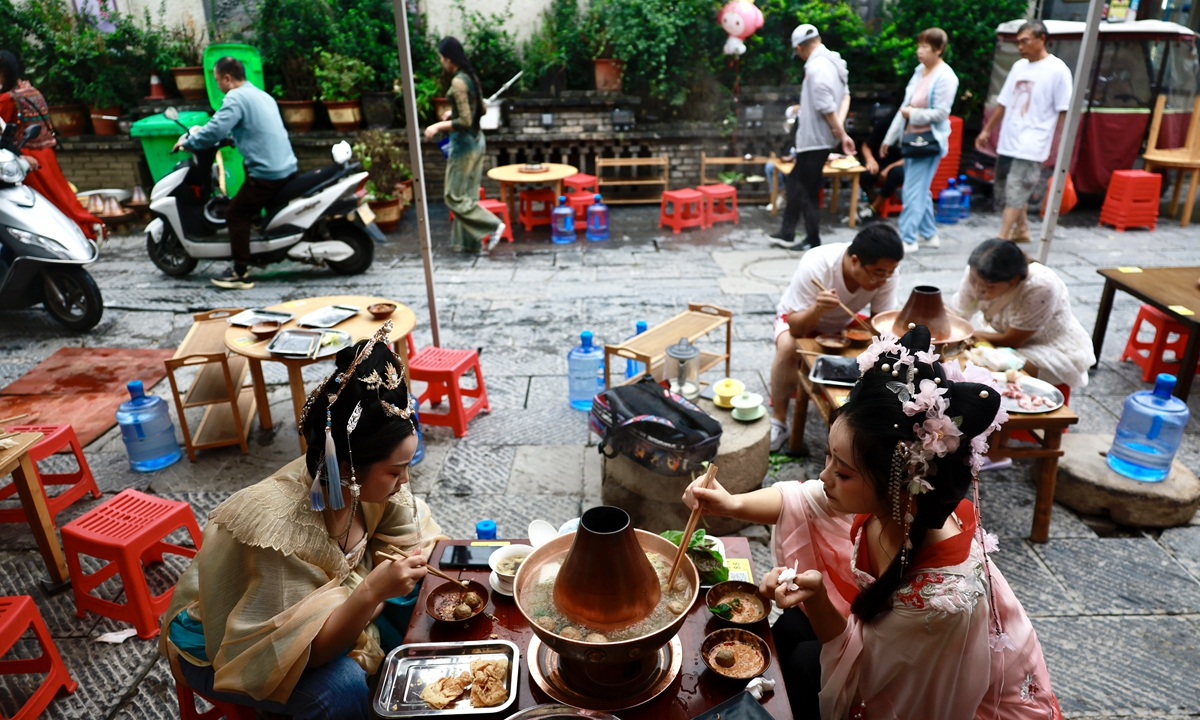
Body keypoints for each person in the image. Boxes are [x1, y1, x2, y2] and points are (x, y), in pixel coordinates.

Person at [685, 325, 1062, 720]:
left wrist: (817, 598)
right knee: (792, 629)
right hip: (890, 640)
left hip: (930, 684)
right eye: (829, 457)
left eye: (843, 472)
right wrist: (729, 503)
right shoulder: (902, 503)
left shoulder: (939, 602)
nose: (825, 475)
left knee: (799, 663)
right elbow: (806, 497)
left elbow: (875, 687)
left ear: (900, 484)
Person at [159, 323, 447, 720]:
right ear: (348, 467)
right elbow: (308, 653)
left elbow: (414, 544)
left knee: (423, 600)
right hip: (233, 644)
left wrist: (388, 585)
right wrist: (370, 592)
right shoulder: (278, 526)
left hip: (316, 612)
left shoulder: (363, 484)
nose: (404, 484)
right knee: (340, 684)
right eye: (396, 472)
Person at [769, 224, 904, 452]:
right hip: (802, 318)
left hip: (846, 322)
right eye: (879, 273)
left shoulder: (887, 273)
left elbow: (879, 322)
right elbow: (795, 328)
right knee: (788, 346)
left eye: (890, 273)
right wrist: (818, 309)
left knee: (883, 350)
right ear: (854, 261)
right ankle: (779, 420)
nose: (884, 279)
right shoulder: (817, 264)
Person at [174, 56, 298, 290]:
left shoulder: (235, 98)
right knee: (250, 205)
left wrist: (188, 143)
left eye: (218, 80)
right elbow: (254, 129)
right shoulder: (261, 95)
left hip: (267, 174)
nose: (218, 85)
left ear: (228, 78)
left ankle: (240, 271)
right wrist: (232, 139)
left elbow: (214, 129)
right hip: (286, 167)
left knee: (235, 213)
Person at [950, 238, 1095, 389]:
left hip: (1044, 347)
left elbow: (1011, 340)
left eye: (989, 286)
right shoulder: (977, 271)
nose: (978, 289)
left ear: (1013, 280)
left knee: (988, 371)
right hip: (1000, 336)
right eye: (973, 280)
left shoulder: (1041, 286)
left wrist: (969, 334)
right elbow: (957, 316)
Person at [974, 20, 1072, 244]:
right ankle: (1023, 230)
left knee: (1018, 186)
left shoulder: (1058, 71)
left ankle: (1003, 235)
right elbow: (1004, 101)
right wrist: (987, 130)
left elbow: (1063, 110)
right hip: (1010, 137)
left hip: (1034, 140)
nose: (1020, 47)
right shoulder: (1019, 67)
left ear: (1042, 39)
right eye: (1017, 42)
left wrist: (1059, 143)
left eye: (1025, 41)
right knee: (1007, 186)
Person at [770, 24, 854, 252]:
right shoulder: (835, 62)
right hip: (819, 138)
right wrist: (839, 129)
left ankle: (813, 240)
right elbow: (845, 96)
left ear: (799, 48)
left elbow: (826, 106)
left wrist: (839, 132)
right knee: (795, 182)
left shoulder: (817, 67)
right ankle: (787, 232)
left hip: (814, 140)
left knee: (807, 189)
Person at [0, 51, 102, 239]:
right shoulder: (31, 90)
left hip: (27, 155)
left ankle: (73, 235)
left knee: (44, 202)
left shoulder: (8, 99)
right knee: (62, 196)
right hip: (45, 152)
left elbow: (3, 129)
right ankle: (87, 227)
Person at [423, 37, 504, 253]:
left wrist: (438, 126)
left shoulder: (458, 82)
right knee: (467, 197)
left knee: (453, 196)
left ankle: (493, 225)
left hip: (464, 145)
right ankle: (467, 245)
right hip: (478, 141)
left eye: (441, 58)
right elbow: (482, 110)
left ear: (449, 59)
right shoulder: (471, 77)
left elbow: (465, 121)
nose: (441, 62)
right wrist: (454, 113)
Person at [882, 28, 959, 254]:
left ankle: (908, 238)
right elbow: (905, 105)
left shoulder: (946, 77)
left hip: (930, 141)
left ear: (939, 50)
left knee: (913, 189)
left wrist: (912, 115)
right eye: (919, 46)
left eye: (926, 47)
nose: (920, 51)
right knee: (919, 188)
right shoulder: (920, 72)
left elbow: (941, 113)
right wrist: (890, 137)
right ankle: (929, 234)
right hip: (911, 138)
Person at [859, 111, 904, 216]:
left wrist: (888, 169)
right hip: (881, 161)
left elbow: (913, 156)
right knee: (863, 172)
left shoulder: (917, 124)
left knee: (896, 173)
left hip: (903, 165)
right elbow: (866, 145)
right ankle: (872, 197)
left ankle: (873, 208)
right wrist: (870, 160)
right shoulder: (887, 121)